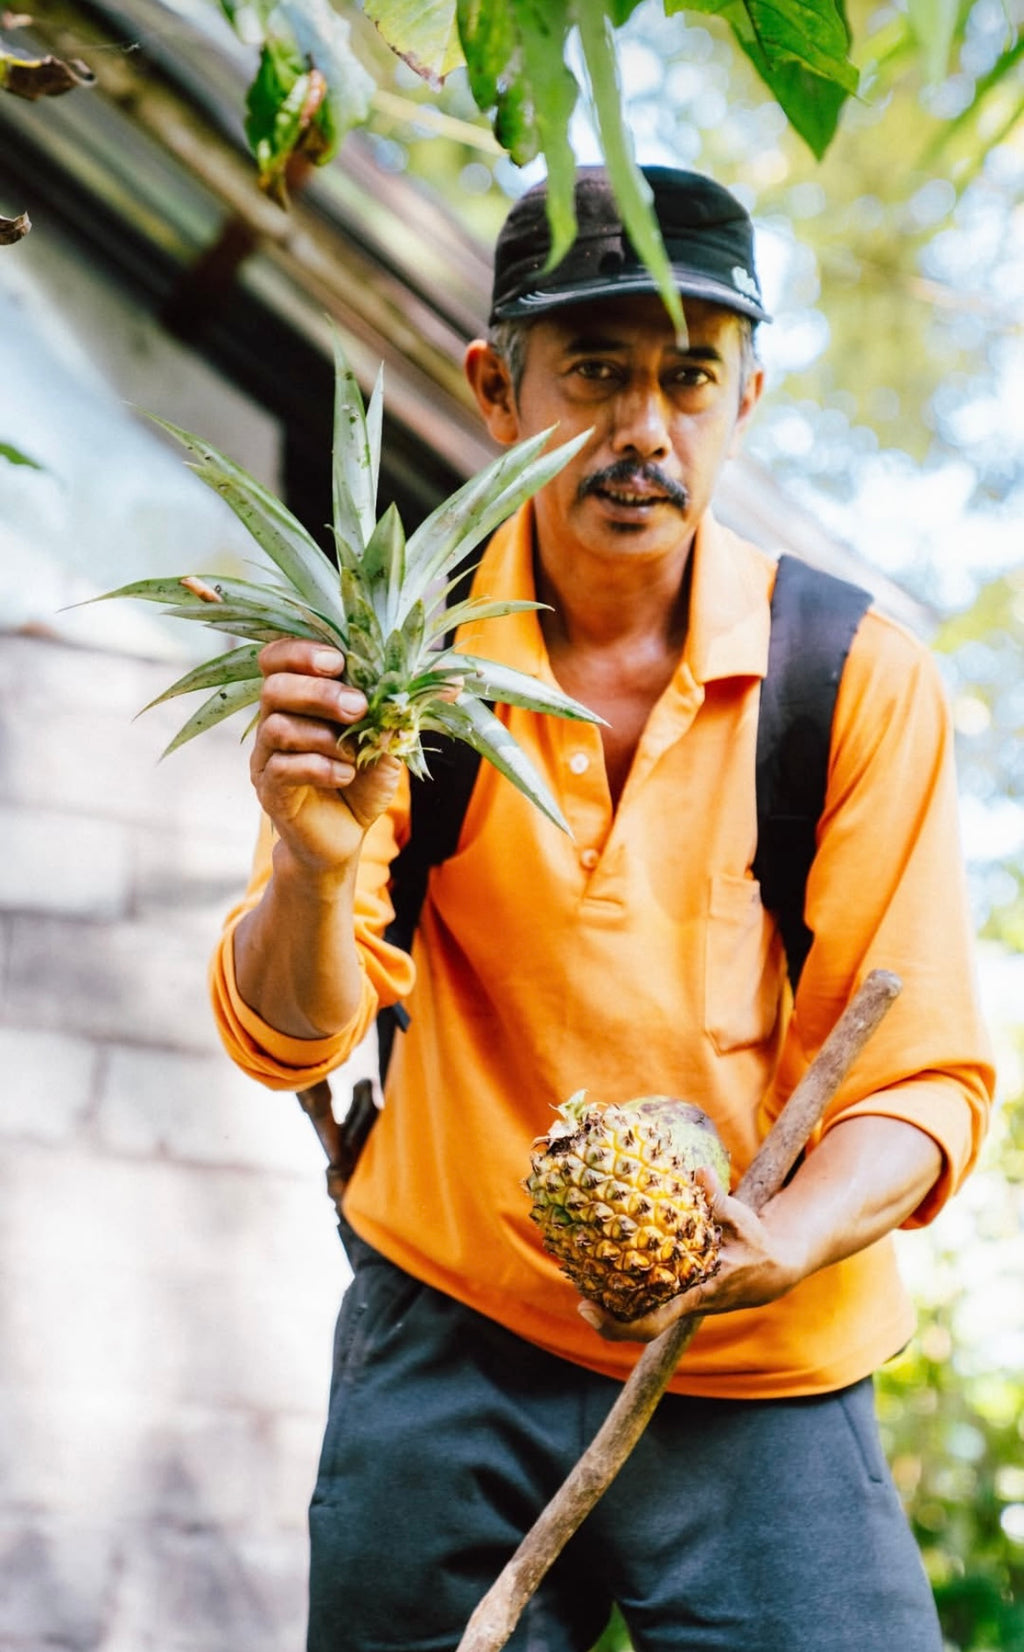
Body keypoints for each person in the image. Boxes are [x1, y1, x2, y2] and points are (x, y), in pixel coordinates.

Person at [210, 168, 994, 1652]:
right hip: (452, 1329)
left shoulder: (853, 678)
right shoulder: (403, 667)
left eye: (689, 378)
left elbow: (924, 1080)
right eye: (598, 372)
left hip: (765, 1355)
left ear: (747, 395)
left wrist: (784, 1236)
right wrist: (312, 867)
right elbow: (291, 1035)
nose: (646, 428)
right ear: (497, 387)